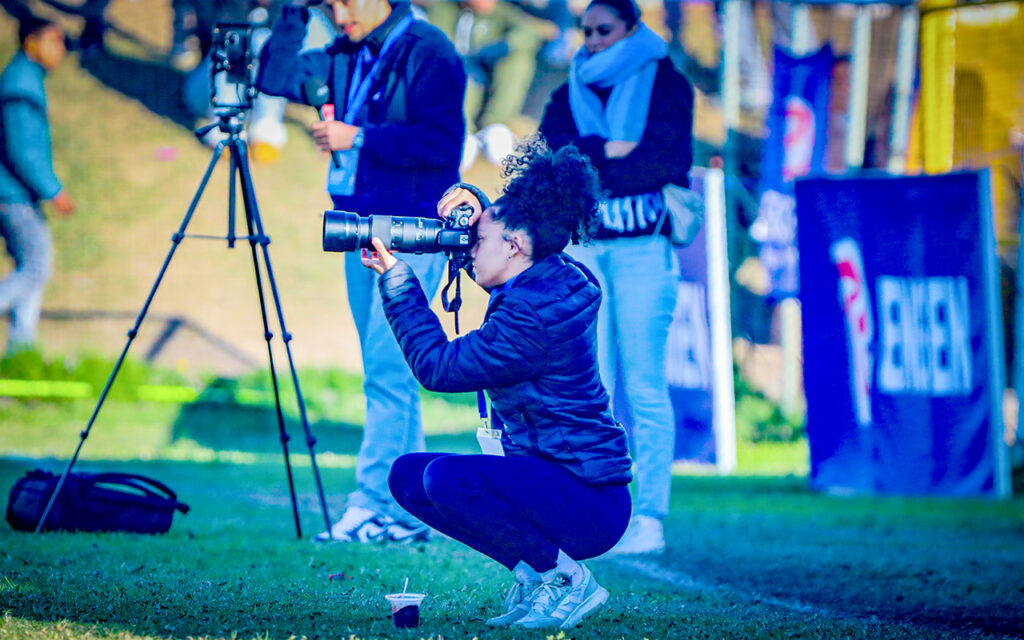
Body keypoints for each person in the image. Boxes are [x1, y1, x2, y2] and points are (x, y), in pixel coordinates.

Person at [361, 137, 632, 629]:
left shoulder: (532, 317)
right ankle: (538, 576)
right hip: (556, 478)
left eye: (477, 241)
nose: (468, 251)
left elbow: (438, 368)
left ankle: (568, 580)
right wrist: (480, 212)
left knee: (446, 479)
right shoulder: (546, 276)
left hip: (588, 496)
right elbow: (505, 249)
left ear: (515, 246)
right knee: (407, 475)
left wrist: (399, 281)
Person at [256, 0, 467, 543]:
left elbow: (443, 145)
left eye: (344, 1)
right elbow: (275, 77)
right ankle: (410, 512)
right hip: (360, 229)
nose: (337, 11)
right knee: (390, 377)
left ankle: (373, 504)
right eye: (326, 3)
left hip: (410, 235)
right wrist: (292, 11)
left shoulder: (430, 49)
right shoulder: (351, 48)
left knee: (387, 376)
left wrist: (361, 138)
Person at [538, 0, 694, 555]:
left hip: (644, 254)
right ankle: (595, 509)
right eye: (586, 30)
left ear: (631, 29)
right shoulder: (568, 91)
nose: (594, 40)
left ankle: (648, 516)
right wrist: (609, 150)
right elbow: (551, 165)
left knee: (644, 384)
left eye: (605, 30)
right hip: (586, 253)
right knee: (590, 384)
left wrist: (590, 161)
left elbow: (664, 162)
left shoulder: (668, 83)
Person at [0, 16, 76, 355]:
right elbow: (22, 148)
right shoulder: (20, 85)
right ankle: (22, 349)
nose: (60, 51)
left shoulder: (26, 79)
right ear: (31, 42)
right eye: (54, 41)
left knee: (32, 268)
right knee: (36, 266)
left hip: (17, 192)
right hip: (11, 193)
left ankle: (21, 354)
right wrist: (52, 189)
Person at [425, 0, 548, 168]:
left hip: (490, 71)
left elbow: (528, 32)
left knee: (518, 60)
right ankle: (463, 134)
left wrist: (506, 45)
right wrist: (461, 59)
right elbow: (436, 42)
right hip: (458, 76)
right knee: (454, 70)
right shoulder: (444, 8)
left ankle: (496, 127)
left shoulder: (503, 12)